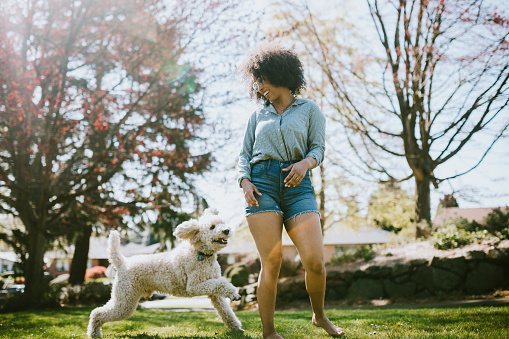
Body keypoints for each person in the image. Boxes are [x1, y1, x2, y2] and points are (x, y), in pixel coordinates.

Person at [237, 41, 345, 338]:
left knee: (315, 262)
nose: (260, 89)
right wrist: (244, 180)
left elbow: (318, 148)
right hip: (261, 185)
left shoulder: (309, 110)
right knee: (271, 261)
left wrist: (305, 164)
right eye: (256, 84)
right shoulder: (257, 116)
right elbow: (244, 154)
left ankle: (319, 316)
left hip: (298, 187)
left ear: (280, 73)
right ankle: (269, 332)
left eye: (263, 81)